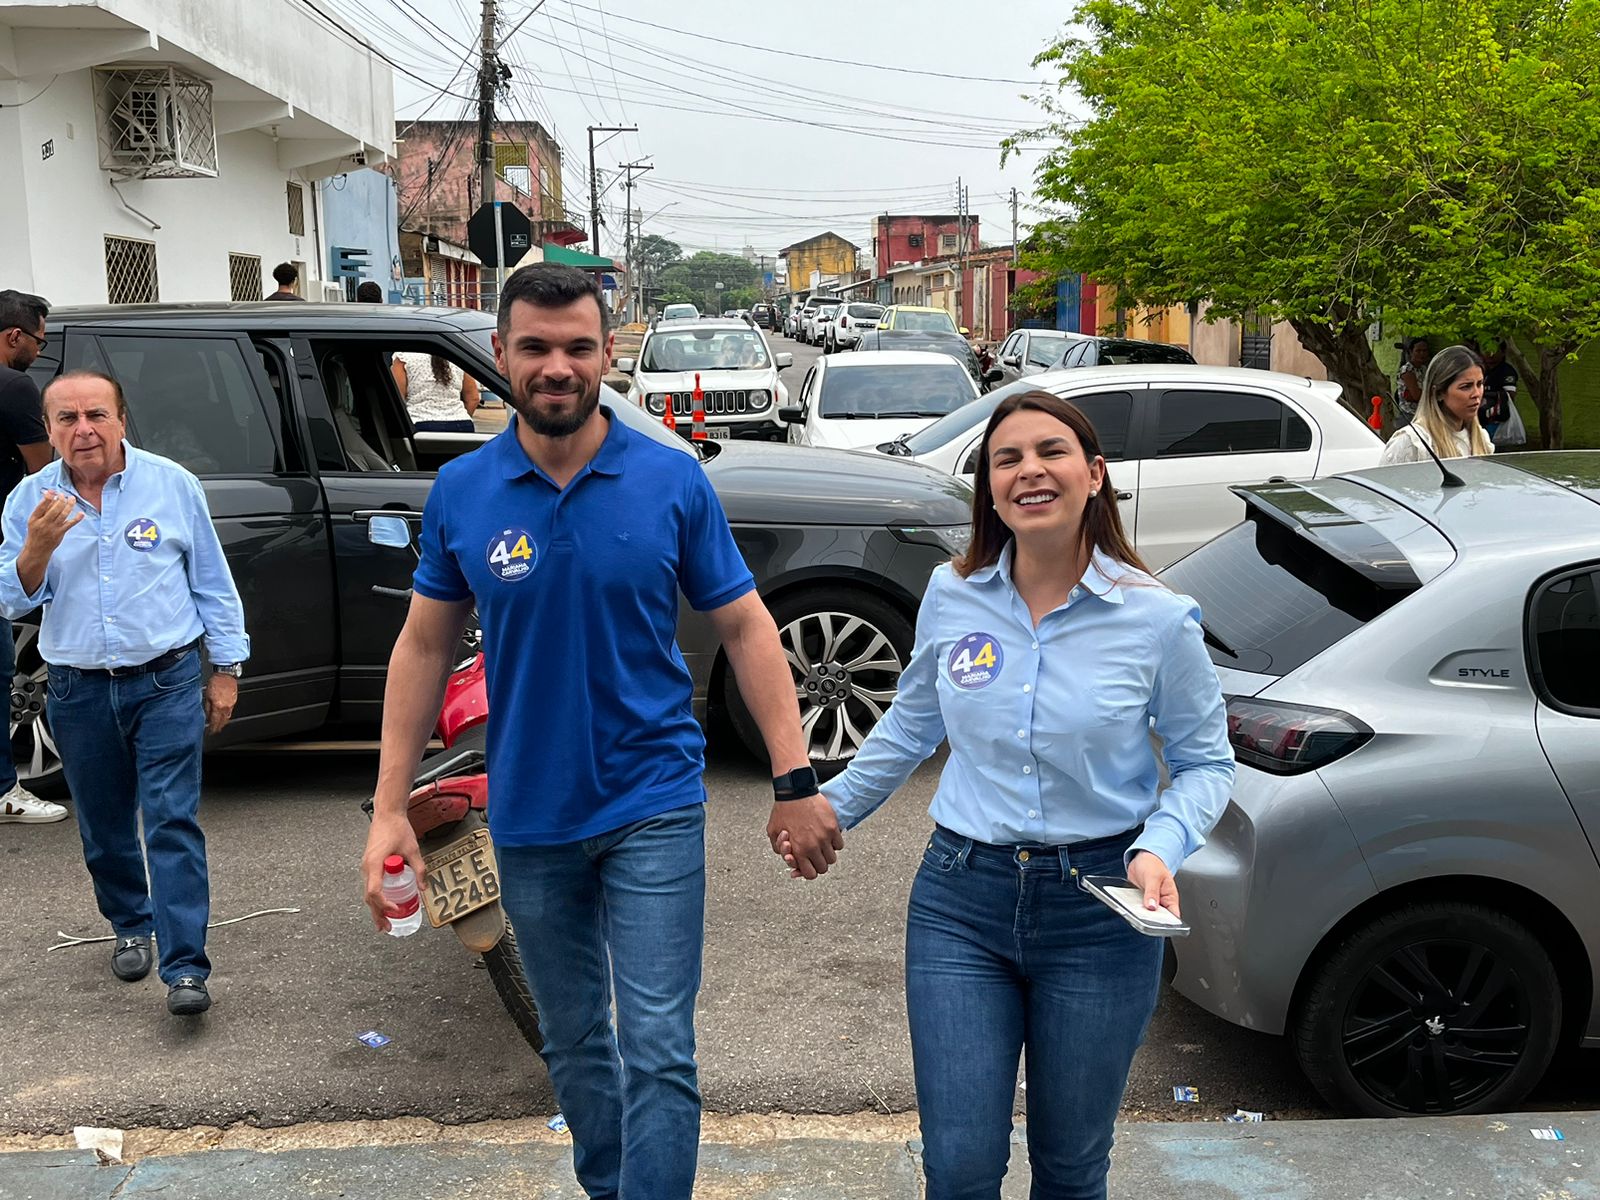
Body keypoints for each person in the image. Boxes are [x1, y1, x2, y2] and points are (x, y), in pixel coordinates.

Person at [360, 262, 840, 1200]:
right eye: (534, 348)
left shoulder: (668, 479)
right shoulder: (464, 491)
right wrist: (387, 811)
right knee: (574, 1039)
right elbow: (422, 648)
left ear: (607, 355)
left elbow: (745, 624)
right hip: (532, 817)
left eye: (578, 347)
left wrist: (795, 777)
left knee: (658, 1045)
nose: (556, 366)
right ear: (498, 358)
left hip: (653, 803)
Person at [779, 389, 1235, 1200]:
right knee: (957, 1169)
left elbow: (1206, 764)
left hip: (1101, 906)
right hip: (963, 900)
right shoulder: (953, 597)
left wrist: (1159, 846)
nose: (1030, 470)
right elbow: (911, 725)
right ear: (989, 487)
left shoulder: (1158, 620)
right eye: (1007, 458)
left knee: (1069, 1166)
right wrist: (828, 807)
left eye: (1051, 452)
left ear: (1094, 475)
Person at [0, 371, 249, 1016]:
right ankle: (131, 924)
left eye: (96, 415)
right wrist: (37, 549)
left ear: (121, 420)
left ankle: (186, 966)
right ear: (49, 430)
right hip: (78, 691)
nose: (83, 429)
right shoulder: (29, 499)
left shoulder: (171, 485)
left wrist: (226, 670)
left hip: (166, 680)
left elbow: (213, 585)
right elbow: (9, 597)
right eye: (67, 419)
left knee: (171, 819)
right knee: (106, 828)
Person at [0, 290, 65, 823]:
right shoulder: (14, 384)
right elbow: (47, 474)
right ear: (14, 336)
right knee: (3, 672)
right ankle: (5, 789)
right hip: (8, 543)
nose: (39, 354)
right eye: (40, 342)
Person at [1379, 344, 1495, 465]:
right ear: (1439, 393)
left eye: (1480, 384)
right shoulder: (1412, 443)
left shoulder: (1481, 439)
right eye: (1466, 386)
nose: (1476, 394)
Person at [390, 352, 481, 433]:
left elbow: (397, 398)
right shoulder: (457, 356)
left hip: (420, 423)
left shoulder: (404, 357)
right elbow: (473, 398)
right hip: (461, 424)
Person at [1480, 340, 1520, 442]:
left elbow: (1510, 395)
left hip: (1496, 419)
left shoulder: (1506, 371)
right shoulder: (1481, 370)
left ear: (1502, 353)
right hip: (1481, 416)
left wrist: (1489, 397)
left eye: (1494, 351)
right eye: (1487, 351)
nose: (1490, 354)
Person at [1394, 337, 1431, 421]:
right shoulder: (1407, 370)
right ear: (1411, 352)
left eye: (1424, 351)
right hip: (1409, 415)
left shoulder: (1423, 368)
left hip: (1422, 414)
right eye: (1418, 351)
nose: (1422, 354)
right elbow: (1416, 395)